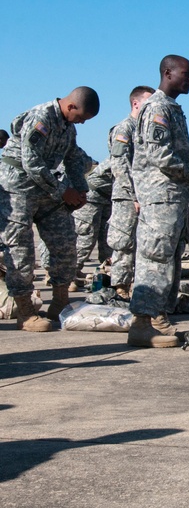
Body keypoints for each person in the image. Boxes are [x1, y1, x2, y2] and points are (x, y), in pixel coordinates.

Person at [129, 55, 189, 348]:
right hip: (160, 196)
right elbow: (160, 155)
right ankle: (141, 323)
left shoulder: (173, 108)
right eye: (186, 74)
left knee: (170, 260)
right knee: (154, 258)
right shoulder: (157, 108)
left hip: (174, 196)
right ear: (167, 73)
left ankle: (157, 316)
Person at [0, 87, 99, 332]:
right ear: (71, 106)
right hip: (18, 188)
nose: (82, 123)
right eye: (82, 117)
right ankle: (26, 312)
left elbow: (74, 157)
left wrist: (80, 189)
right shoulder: (41, 117)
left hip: (46, 190)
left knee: (65, 240)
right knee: (19, 249)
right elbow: (30, 161)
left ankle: (60, 302)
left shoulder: (68, 126)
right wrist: (63, 190)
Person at [106, 85, 154, 298]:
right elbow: (120, 165)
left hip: (146, 195)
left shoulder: (146, 130)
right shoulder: (124, 129)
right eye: (148, 102)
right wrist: (134, 195)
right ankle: (121, 289)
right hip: (127, 196)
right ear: (136, 103)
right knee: (124, 243)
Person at [69, 158, 114, 289]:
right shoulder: (126, 154)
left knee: (108, 240)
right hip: (92, 197)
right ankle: (70, 276)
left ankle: (106, 274)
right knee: (86, 238)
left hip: (108, 198)